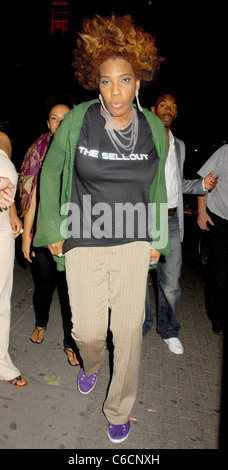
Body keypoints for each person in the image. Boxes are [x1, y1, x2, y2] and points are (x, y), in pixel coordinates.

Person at [33, 14, 169, 443]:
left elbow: (159, 183)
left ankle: (118, 411)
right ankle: (91, 365)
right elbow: (52, 168)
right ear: (96, 83)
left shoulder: (154, 131)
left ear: (138, 82)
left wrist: (158, 238)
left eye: (124, 80)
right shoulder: (78, 119)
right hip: (84, 238)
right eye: (106, 81)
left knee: (128, 333)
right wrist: (52, 225)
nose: (115, 91)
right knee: (89, 332)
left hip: (132, 241)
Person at [143, 94, 218, 353]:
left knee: (171, 283)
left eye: (173, 106)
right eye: (163, 105)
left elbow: (176, 184)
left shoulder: (180, 146)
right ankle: (140, 325)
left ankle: (168, 329)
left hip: (172, 221)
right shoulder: (142, 139)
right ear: (153, 109)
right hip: (144, 219)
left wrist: (200, 185)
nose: (169, 109)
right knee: (138, 280)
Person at [18, 99, 79, 366]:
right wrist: (25, 236)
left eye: (66, 118)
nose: (60, 123)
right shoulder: (37, 153)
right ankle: (41, 323)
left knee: (70, 295)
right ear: (48, 123)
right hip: (43, 234)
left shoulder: (82, 152)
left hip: (74, 234)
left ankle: (70, 343)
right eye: (55, 118)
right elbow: (30, 199)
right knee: (43, 289)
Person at [0, 130, 27, 387]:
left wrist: (12, 213)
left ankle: (2, 363)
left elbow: (7, 187)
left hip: (1, 231)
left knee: (2, 301)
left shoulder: (4, 138)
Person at [197, 144, 228, 335]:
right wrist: (201, 212)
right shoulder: (225, 152)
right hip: (221, 219)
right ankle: (218, 318)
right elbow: (204, 179)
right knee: (221, 274)